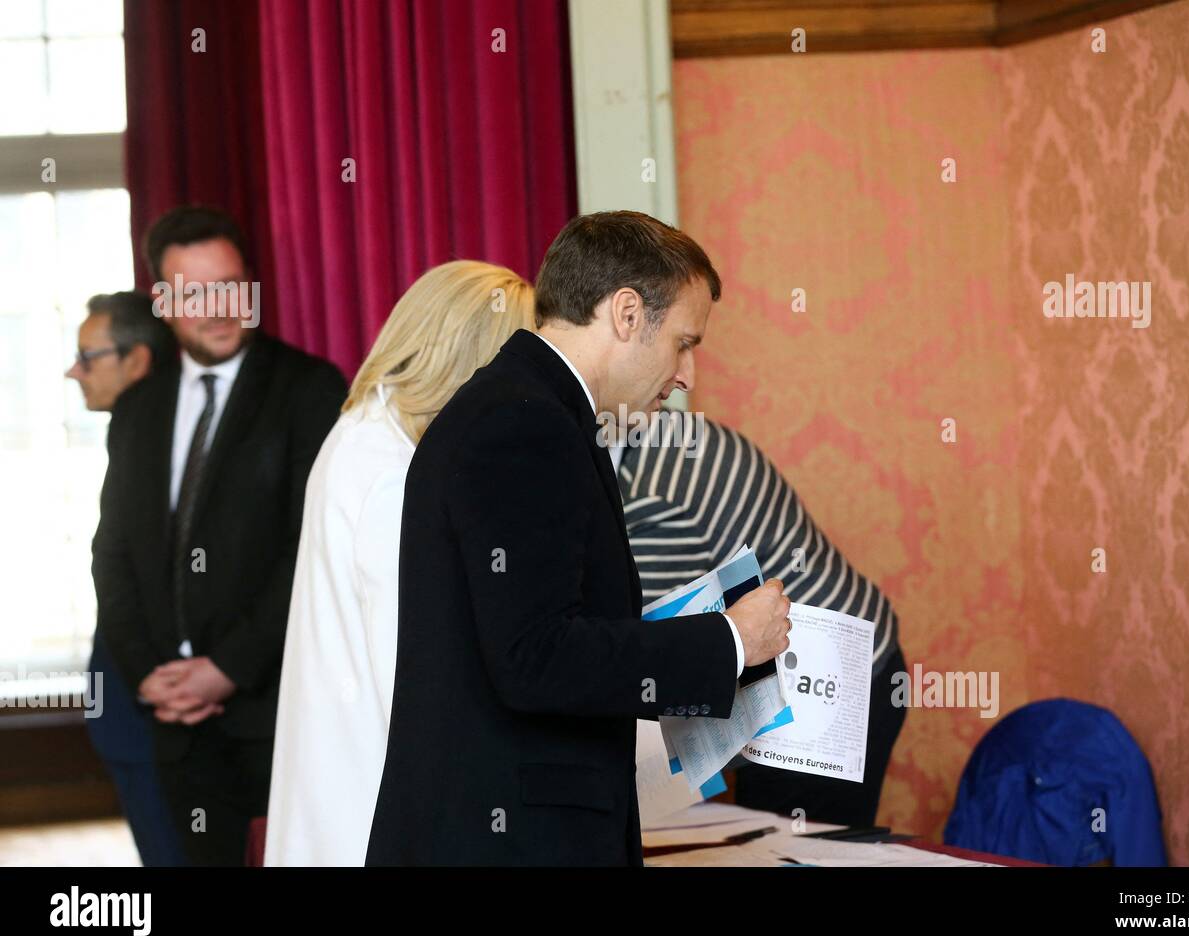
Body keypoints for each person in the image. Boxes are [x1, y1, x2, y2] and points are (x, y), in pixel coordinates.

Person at [367, 211, 792, 866]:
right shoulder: (525, 424)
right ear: (626, 314)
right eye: (684, 342)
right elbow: (536, 658)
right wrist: (731, 640)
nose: (687, 377)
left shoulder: (537, 411)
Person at [92, 205, 347, 866]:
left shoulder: (309, 390)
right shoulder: (138, 408)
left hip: (279, 709)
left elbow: (311, 552)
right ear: (164, 300)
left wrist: (226, 669)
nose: (219, 307)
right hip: (174, 721)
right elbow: (113, 553)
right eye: (194, 292)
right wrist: (149, 672)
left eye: (231, 285)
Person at [265, 261, 535, 866]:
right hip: (375, 810)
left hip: (349, 794)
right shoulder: (392, 474)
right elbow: (417, 678)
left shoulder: (365, 436)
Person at [620, 410, 905, 826]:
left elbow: (658, 662)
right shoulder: (657, 435)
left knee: (792, 847)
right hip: (808, 665)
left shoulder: (649, 488)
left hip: (824, 684)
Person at [69, 291, 188, 866]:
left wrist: (150, 680)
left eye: (88, 356)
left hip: (162, 708)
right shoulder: (136, 432)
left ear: (138, 359)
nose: (74, 370)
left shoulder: (166, 437)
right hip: (136, 703)